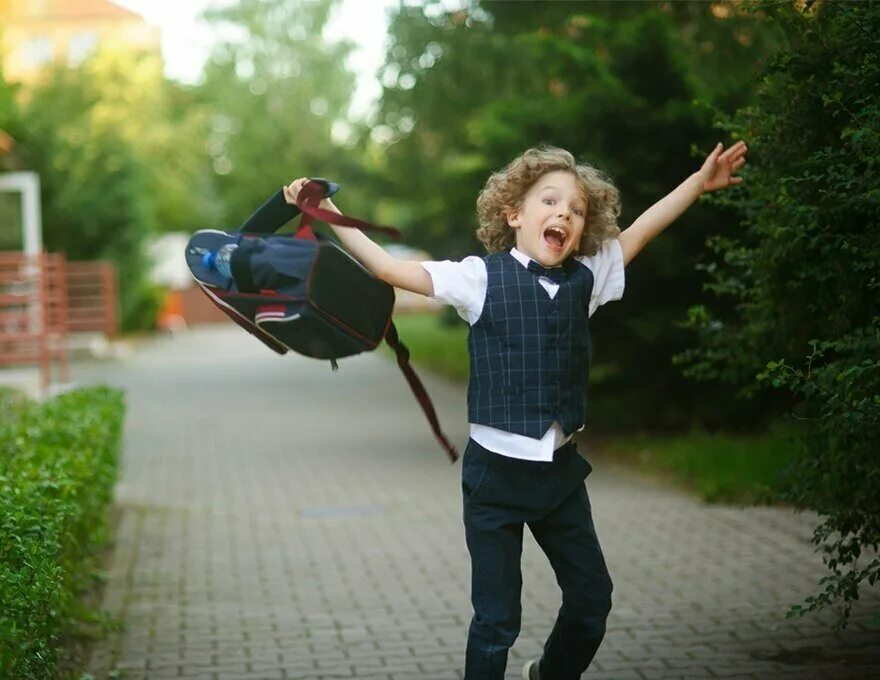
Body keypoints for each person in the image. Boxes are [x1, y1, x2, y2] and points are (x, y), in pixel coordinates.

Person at [283, 139, 747, 680]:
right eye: (550, 202)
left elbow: (640, 231)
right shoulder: (480, 278)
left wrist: (698, 182)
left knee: (592, 601)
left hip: (560, 479)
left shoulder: (586, 280)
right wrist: (324, 210)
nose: (564, 215)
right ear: (514, 214)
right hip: (495, 482)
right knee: (497, 621)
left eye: (576, 210)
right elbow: (387, 268)